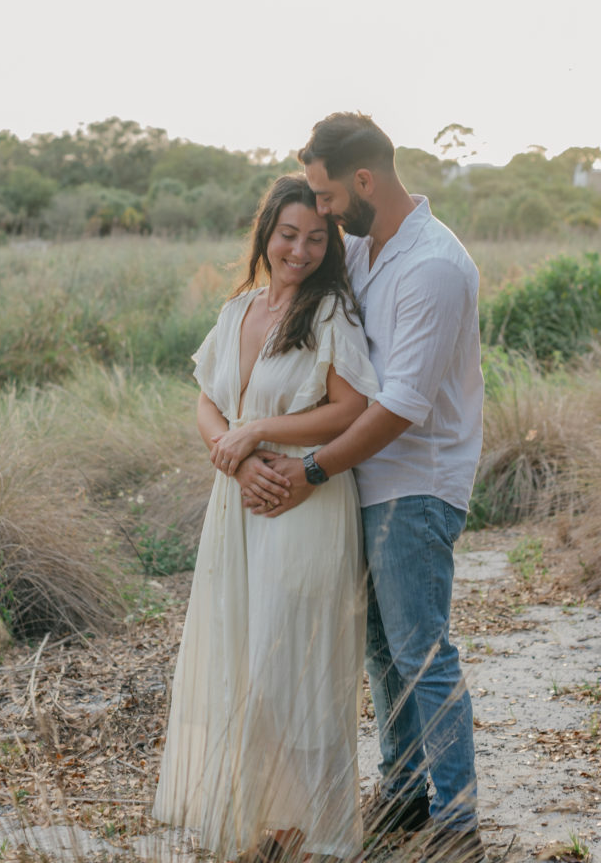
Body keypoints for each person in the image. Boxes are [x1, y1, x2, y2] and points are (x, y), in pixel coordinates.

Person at [217, 114, 485, 863]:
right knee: (379, 649)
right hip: (364, 479)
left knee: (420, 650)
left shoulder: (432, 265)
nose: (324, 214)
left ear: (363, 181)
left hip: (415, 480)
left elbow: (401, 407)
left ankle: (458, 818)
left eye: (329, 198)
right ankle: (402, 793)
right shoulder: (370, 249)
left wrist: (307, 471)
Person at [152, 175, 379, 861]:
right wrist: (236, 453)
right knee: (243, 663)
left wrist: (260, 434)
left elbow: (351, 408)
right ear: (266, 234)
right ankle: (263, 823)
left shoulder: (332, 310)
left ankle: (312, 832)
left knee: (293, 664)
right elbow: (206, 400)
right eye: (289, 235)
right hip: (242, 500)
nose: (301, 250)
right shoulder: (238, 311)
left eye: (317, 238)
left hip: (304, 499)